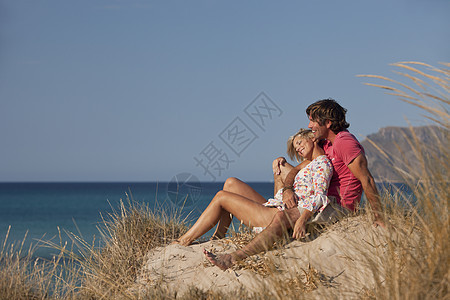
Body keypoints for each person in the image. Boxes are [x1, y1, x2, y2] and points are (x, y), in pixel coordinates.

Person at [204, 98, 386, 270]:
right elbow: (298, 164)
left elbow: (367, 179)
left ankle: (233, 258)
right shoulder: (327, 143)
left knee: (282, 217)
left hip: (337, 205)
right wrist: (288, 188)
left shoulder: (344, 143)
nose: (309, 126)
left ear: (328, 122)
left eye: (314, 121)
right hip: (319, 199)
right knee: (282, 171)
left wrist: (378, 216)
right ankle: (272, 218)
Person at [174, 129, 332, 247]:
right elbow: (290, 179)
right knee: (231, 183)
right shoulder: (308, 163)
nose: (297, 149)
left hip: (280, 216)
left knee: (221, 197)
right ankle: (218, 236)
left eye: (299, 143)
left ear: (312, 138)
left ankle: (184, 240)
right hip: (277, 206)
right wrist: (285, 187)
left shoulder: (322, 164)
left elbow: (319, 197)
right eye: (295, 147)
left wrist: (302, 220)